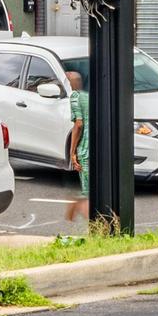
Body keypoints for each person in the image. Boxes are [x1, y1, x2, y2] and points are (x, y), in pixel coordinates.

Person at [64, 68, 89, 231]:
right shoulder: (88, 97)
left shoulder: (75, 97)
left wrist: (72, 152)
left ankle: (93, 224)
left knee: (87, 191)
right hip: (96, 149)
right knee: (90, 189)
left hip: (85, 150)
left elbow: (78, 125)